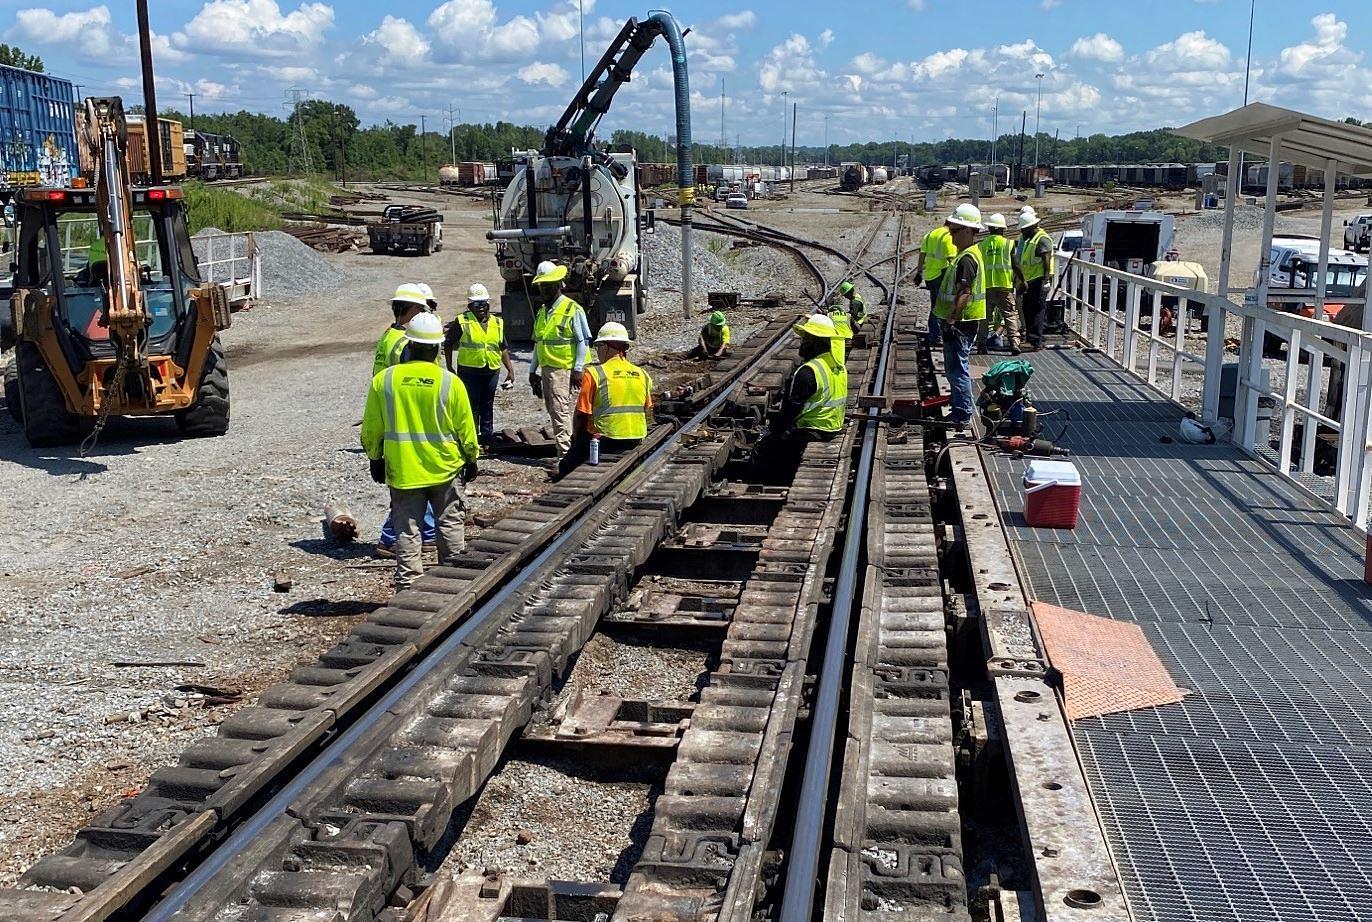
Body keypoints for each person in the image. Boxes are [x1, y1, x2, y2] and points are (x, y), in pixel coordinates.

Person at [361, 313, 480, 590]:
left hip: (404, 470)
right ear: (438, 347)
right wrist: (472, 458)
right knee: (449, 525)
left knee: (407, 531)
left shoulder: (385, 381)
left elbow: (371, 428)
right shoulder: (450, 382)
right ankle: (454, 587)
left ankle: (408, 590)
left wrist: (375, 458)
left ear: (408, 345)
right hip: (445, 469)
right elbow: (466, 428)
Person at [557, 322, 653, 478]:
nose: (598, 352)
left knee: (566, 466)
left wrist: (575, 441)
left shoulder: (595, 373)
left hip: (605, 440)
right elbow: (648, 410)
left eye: (599, 347)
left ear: (607, 347)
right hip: (635, 439)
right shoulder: (642, 374)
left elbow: (581, 414)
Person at [527, 260, 592, 455]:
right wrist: (532, 371)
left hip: (563, 369)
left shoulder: (572, 309)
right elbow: (539, 343)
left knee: (559, 410)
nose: (543, 291)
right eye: (541, 286)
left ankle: (565, 455)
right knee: (554, 410)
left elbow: (583, 341)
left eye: (547, 286)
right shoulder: (543, 313)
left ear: (557, 285)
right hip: (548, 368)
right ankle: (567, 451)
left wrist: (578, 369)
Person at [932, 204, 987, 427]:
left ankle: (963, 413)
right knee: (955, 368)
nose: (951, 236)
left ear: (967, 231)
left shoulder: (966, 259)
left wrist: (952, 318)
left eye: (955, 231)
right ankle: (959, 409)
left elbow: (965, 291)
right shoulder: (968, 255)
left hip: (961, 323)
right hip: (963, 322)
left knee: (956, 369)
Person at [445, 283, 515, 445]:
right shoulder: (462, 321)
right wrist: (449, 367)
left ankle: (486, 436)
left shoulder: (497, 322)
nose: (481, 307)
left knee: (487, 404)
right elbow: (448, 343)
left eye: (483, 303)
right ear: (470, 306)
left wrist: (510, 370)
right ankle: (471, 436)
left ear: (488, 304)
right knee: (471, 404)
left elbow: (501, 346)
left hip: (491, 370)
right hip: (469, 372)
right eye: (476, 304)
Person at [771, 313, 848, 458]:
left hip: (810, 431)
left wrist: (775, 431)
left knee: (768, 448)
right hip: (833, 427)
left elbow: (791, 408)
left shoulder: (809, 371)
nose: (802, 342)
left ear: (818, 344)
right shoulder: (839, 366)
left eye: (806, 339)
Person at [977, 213, 1021, 355]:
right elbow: (1015, 264)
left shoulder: (982, 245)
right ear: (1002, 229)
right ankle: (1014, 344)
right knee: (1010, 315)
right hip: (1004, 287)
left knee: (984, 317)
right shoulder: (1008, 244)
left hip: (987, 287)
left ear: (989, 228)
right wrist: (1023, 280)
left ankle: (981, 345)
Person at [1014, 210, 1054, 350]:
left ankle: (1035, 341)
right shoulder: (1031, 239)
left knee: (1037, 310)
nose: (1022, 232)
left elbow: (1046, 260)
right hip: (1030, 280)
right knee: (1028, 309)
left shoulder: (1041, 239)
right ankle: (1032, 339)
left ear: (1031, 227)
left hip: (1039, 280)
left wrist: (1046, 280)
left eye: (1024, 229)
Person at [373, 283, 431, 376]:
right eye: (422, 310)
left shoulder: (388, 334)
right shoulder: (408, 342)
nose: (422, 314)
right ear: (414, 309)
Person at [916, 220, 957, 346]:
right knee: (941, 307)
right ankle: (937, 335)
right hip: (941, 276)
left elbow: (922, 255)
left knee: (934, 306)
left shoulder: (930, 235)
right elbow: (952, 259)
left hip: (929, 276)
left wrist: (919, 272)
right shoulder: (948, 236)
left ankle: (933, 334)